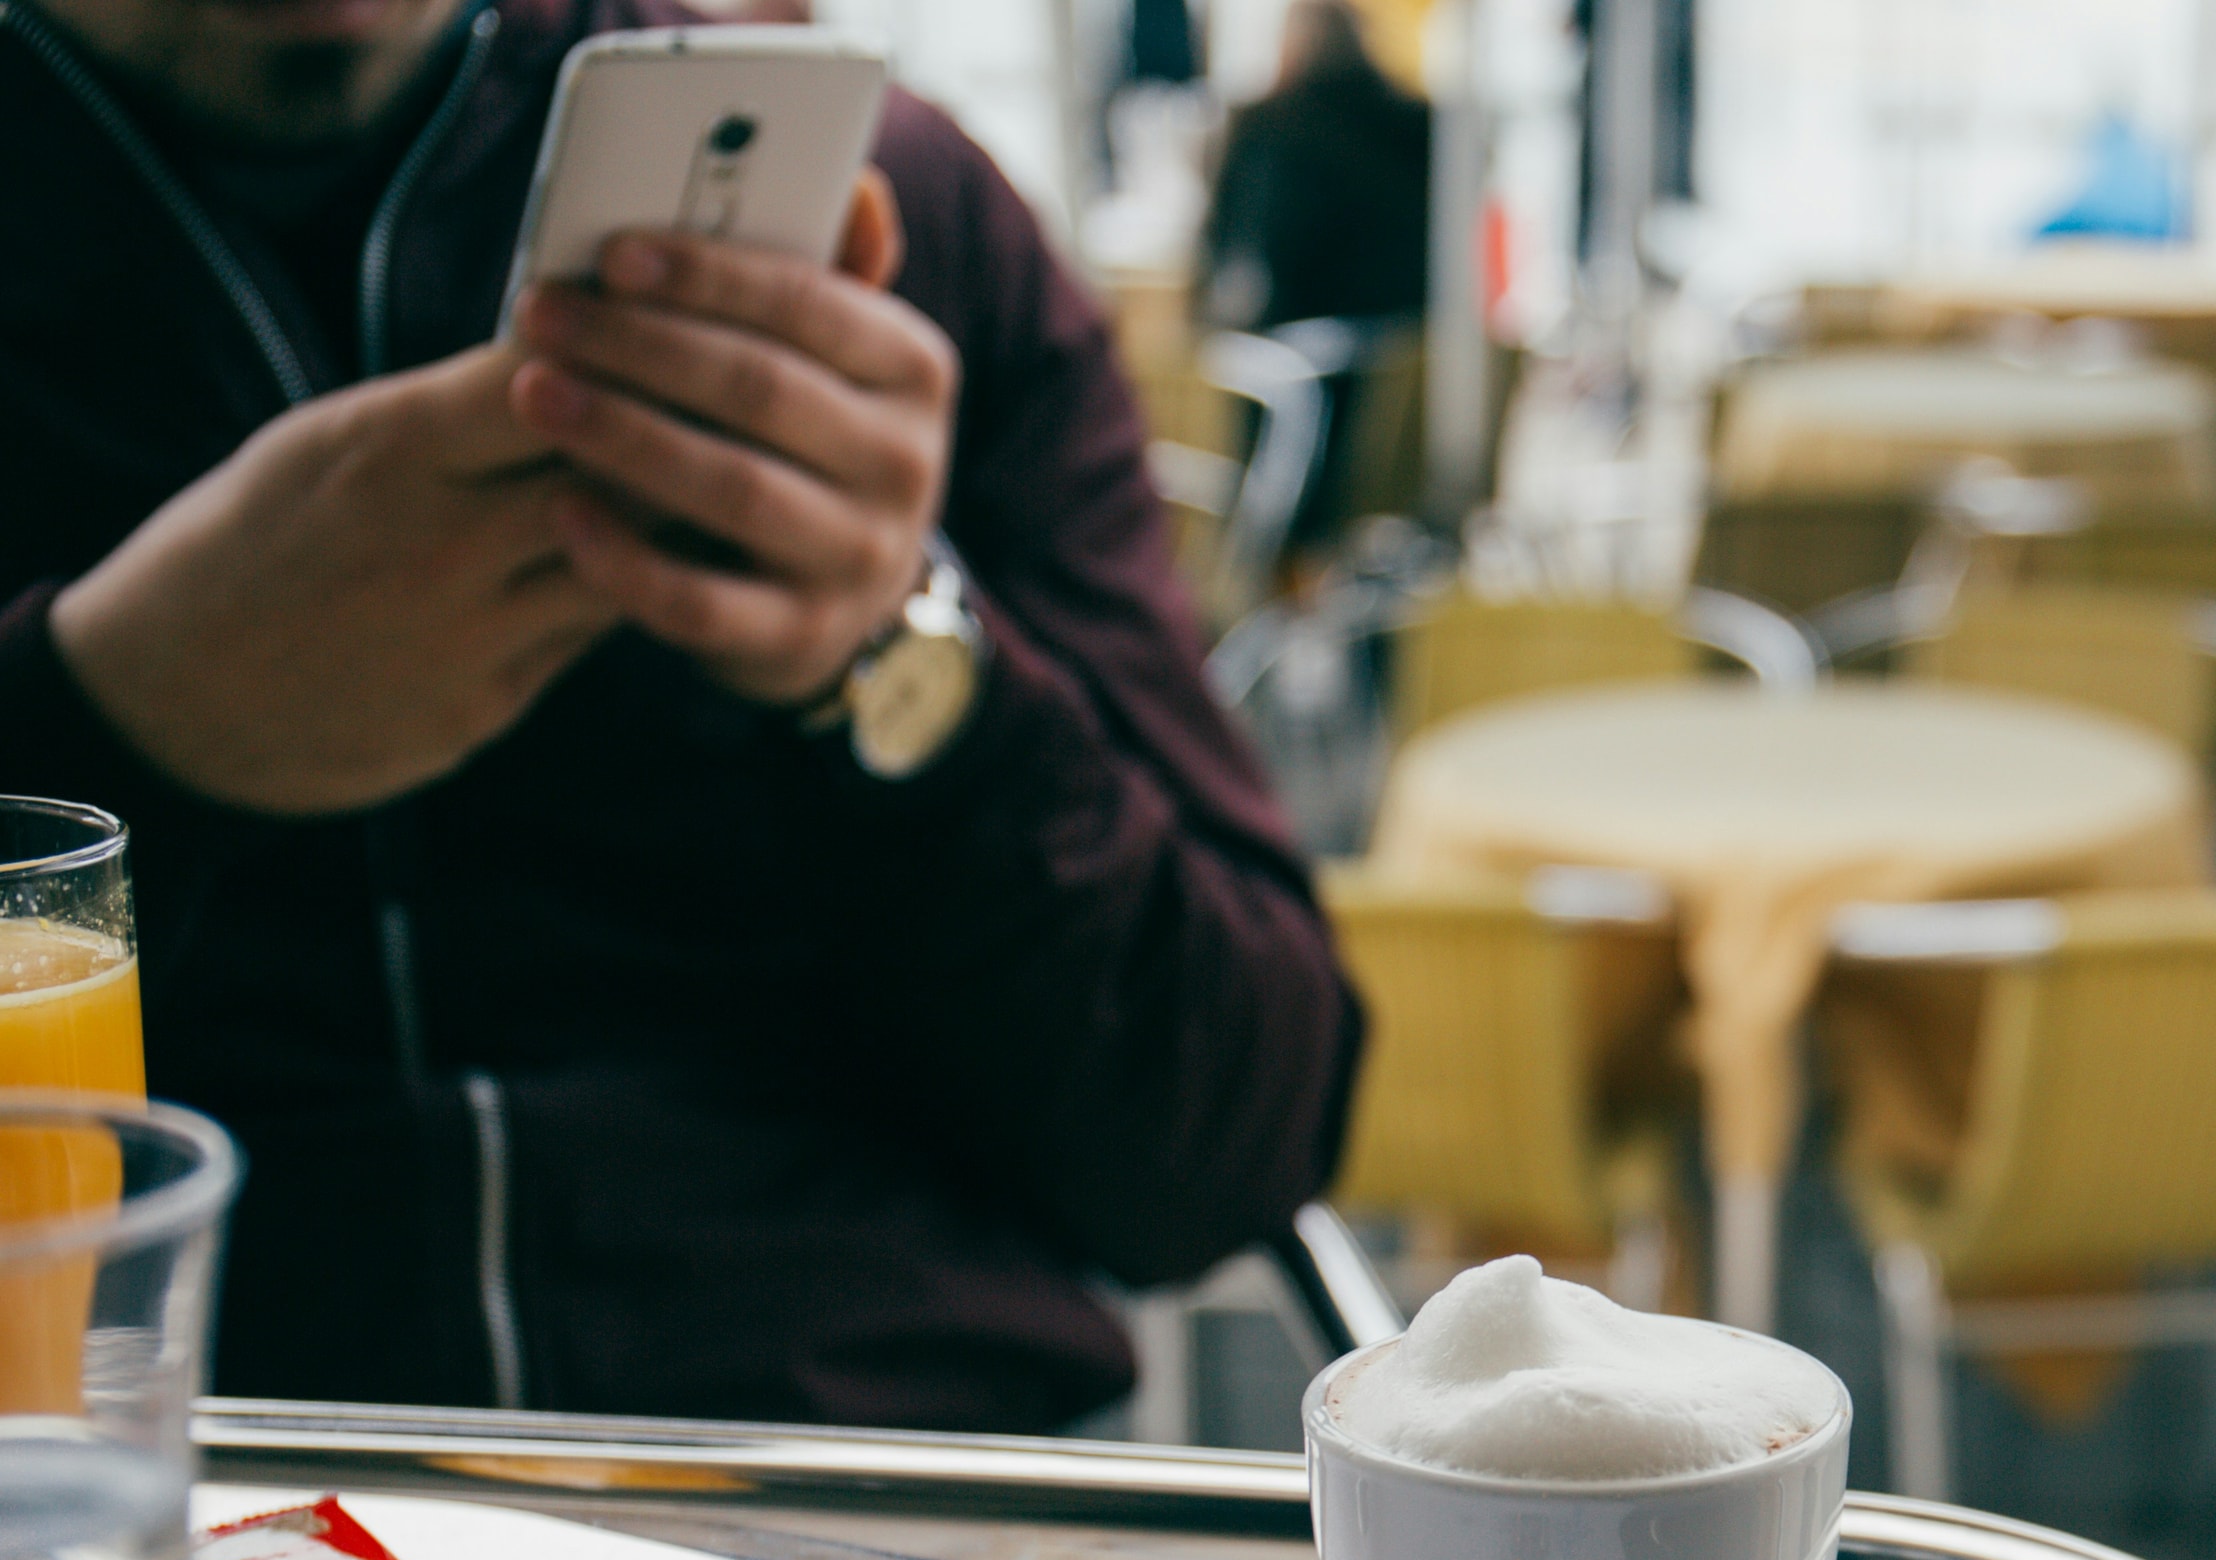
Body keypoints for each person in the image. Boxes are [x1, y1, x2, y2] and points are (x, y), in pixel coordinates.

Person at [0, 0, 1365, 1431]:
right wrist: (105, 715)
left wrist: (895, 660)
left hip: (886, 1515)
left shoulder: (909, 222)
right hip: (178, 1510)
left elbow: (1227, 1146)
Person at [1202, 0, 1430, 336]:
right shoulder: (1417, 125)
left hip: (1299, 352)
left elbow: (1239, 247)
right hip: (1402, 347)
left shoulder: (1271, 126)